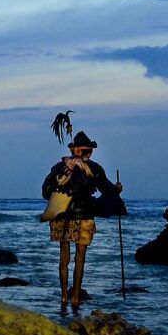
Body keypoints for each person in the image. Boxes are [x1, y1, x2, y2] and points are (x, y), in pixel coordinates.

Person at [42, 131, 122, 307]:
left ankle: (64, 297)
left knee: (64, 258)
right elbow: (108, 190)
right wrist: (118, 189)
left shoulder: (59, 167)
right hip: (84, 216)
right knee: (80, 259)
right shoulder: (95, 169)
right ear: (88, 151)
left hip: (61, 216)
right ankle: (75, 298)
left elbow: (45, 191)